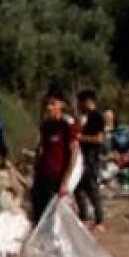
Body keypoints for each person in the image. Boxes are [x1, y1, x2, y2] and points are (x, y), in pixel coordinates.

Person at [32, 90, 79, 221]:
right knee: (38, 213)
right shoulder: (46, 125)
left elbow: (73, 154)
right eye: (47, 104)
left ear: (62, 105)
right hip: (42, 175)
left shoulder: (67, 126)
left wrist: (65, 181)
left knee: (52, 215)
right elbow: (41, 148)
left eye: (53, 104)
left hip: (56, 177)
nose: (49, 107)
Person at [76, 89, 107, 231]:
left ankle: (99, 219)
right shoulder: (84, 117)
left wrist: (80, 138)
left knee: (92, 188)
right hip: (82, 157)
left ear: (88, 101)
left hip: (91, 157)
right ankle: (84, 217)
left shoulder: (96, 117)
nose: (79, 105)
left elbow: (99, 139)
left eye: (81, 102)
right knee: (79, 189)